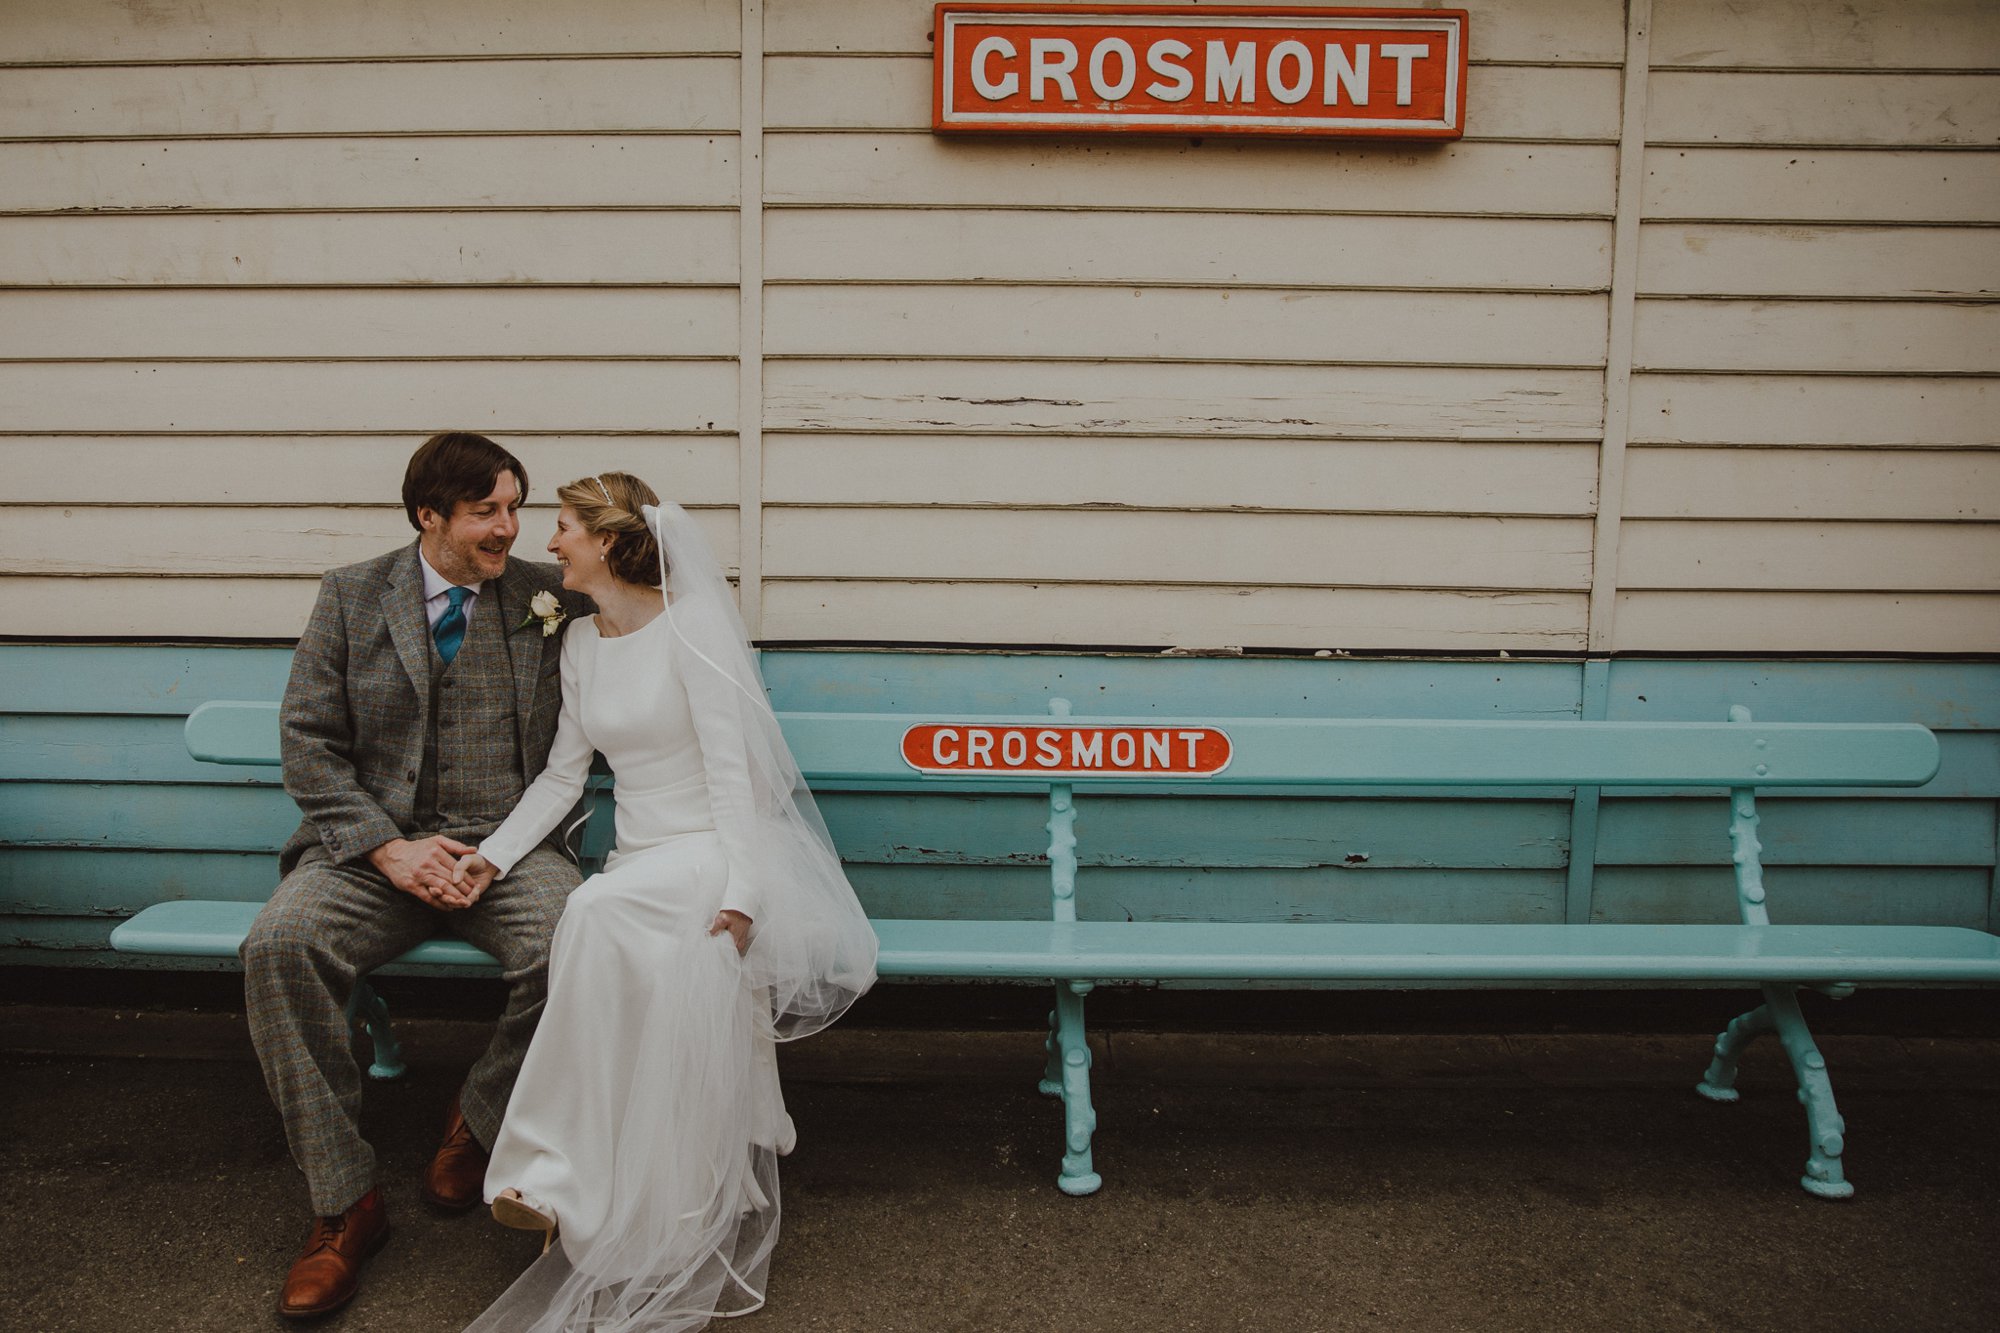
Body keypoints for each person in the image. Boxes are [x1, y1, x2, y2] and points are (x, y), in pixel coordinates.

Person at [451, 473, 878, 1333]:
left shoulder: (693, 628)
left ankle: (546, 1173)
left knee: (591, 917)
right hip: (636, 859)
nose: (549, 542)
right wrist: (489, 860)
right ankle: (586, 1189)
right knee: (597, 926)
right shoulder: (577, 642)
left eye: (563, 526)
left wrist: (745, 891)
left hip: (707, 855)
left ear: (607, 541)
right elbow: (563, 776)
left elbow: (737, 773)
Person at [242, 432, 590, 1319]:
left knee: (578, 944)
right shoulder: (353, 595)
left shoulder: (552, 598)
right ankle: (343, 1201)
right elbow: (308, 744)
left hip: (505, 850)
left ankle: (477, 1117)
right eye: (488, 511)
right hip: (371, 854)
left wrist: (497, 851)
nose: (511, 528)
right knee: (279, 946)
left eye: (517, 506)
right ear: (429, 515)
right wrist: (386, 847)